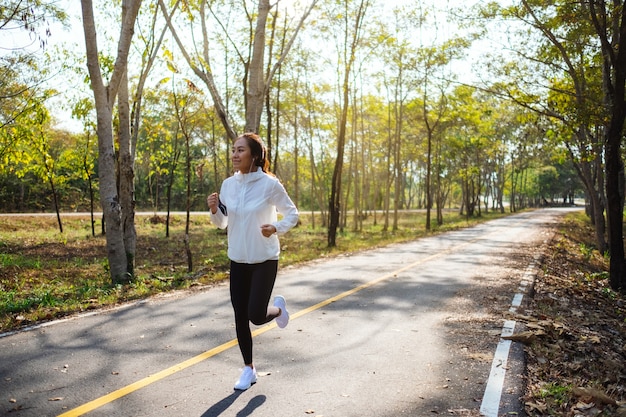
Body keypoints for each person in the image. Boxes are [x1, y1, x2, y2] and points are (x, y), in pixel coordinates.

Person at [207, 132, 299, 391]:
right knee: (239, 316)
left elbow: (292, 213)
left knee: (256, 315)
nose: (235, 155)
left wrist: (276, 228)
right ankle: (248, 369)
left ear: (255, 156)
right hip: (237, 257)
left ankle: (279, 310)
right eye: (233, 150)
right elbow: (223, 222)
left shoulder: (269, 184)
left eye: (240, 151)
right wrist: (214, 210)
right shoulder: (228, 185)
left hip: (264, 257)